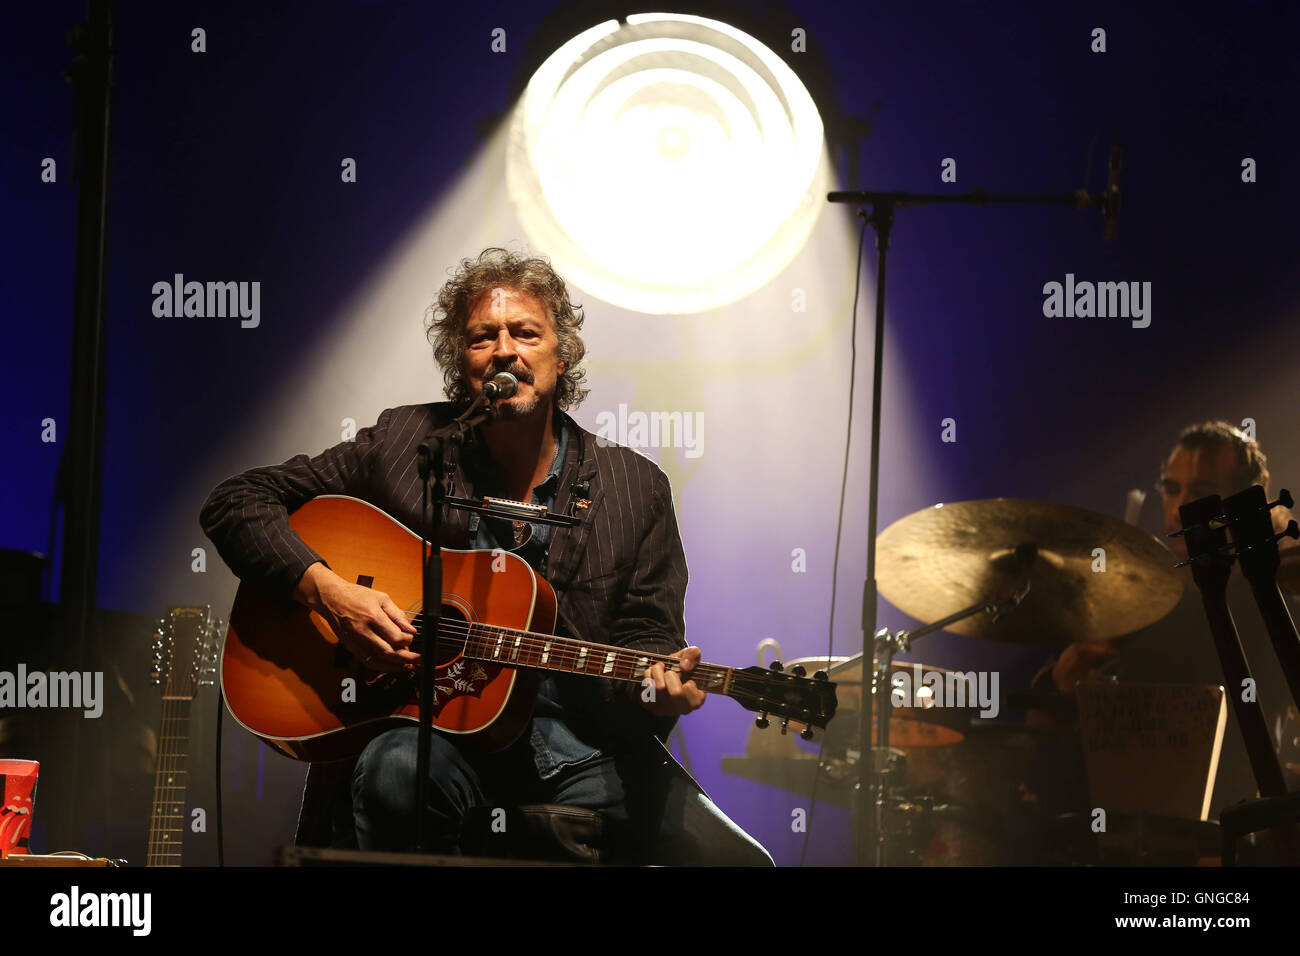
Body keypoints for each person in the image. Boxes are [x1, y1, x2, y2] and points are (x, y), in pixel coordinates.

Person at [200, 247, 774, 865]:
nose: (506, 349)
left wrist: (655, 692)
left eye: (526, 332)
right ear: (462, 361)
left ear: (561, 352)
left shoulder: (633, 486)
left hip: (581, 749)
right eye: (483, 337)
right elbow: (237, 501)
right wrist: (328, 592)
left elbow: (647, 636)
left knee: (739, 863)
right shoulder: (406, 442)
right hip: (436, 740)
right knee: (395, 773)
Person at [1032, 420, 1299, 822]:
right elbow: (1041, 735)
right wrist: (1061, 684)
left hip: (1245, 837)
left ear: (1245, 501)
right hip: (1127, 834)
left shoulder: (1276, 598)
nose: (1179, 508)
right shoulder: (1134, 601)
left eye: (1201, 492)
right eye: (1171, 490)